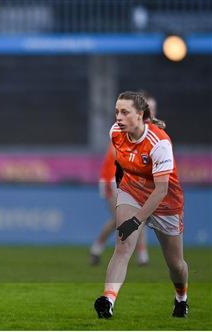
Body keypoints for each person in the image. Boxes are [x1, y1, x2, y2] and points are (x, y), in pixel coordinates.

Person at [94, 91, 188, 319]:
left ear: (140, 115)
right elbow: (120, 162)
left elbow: (161, 190)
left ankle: (181, 298)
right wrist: (121, 188)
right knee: (123, 247)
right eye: (117, 111)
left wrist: (136, 221)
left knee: (175, 264)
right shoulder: (116, 132)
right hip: (132, 191)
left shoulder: (160, 142)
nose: (119, 117)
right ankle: (108, 300)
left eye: (125, 112)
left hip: (165, 201)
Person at [89, 92, 160, 266]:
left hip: (125, 181)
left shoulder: (146, 133)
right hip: (111, 179)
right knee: (128, 217)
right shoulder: (123, 129)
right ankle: (140, 256)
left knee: (129, 217)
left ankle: (99, 249)